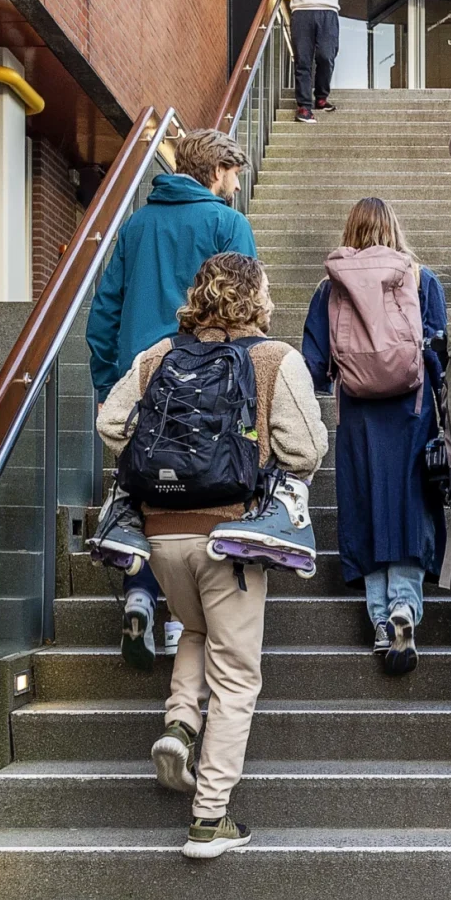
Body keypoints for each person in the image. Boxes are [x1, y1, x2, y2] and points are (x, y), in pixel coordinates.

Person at [98, 254, 328, 858]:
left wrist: (160, 467)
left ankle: (179, 724)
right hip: (232, 537)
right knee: (237, 675)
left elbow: (111, 422)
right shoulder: (274, 360)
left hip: (161, 536)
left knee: (193, 630)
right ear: (256, 299)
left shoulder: (156, 358)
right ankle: (210, 817)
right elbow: (305, 448)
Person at [86, 130, 257, 671]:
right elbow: (247, 308)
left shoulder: (136, 225)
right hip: (207, 381)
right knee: (198, 485)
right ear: (215, 170)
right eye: (232, 173)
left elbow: (104, 310)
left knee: (143, 486)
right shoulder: (227, 224)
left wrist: (111, 379)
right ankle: (190, 617)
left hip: (140, 379)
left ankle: (140, 593)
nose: (234, 185)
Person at [302, 198, 447, 675]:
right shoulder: (421, 279)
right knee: (409, 505)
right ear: (394, 230)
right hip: (412, 410)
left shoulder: (330, 288)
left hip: (359, 415)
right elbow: (439, 348)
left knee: (366, 507)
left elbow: (314, 365)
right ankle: (406, 605)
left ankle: (382, 621)